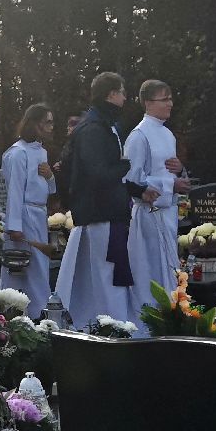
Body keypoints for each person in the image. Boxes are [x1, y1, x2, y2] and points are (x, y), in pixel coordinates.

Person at [54, 72, 141, 328]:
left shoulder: (103, 125)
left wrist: (137, 189)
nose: (125, 98)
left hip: (102, 211)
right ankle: (115, 326)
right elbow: (97, 172)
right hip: (102, 213)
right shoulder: (94, 129)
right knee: (108, 275)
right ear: (111, 94)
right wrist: (125, 165)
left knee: (98, 276)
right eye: (122, 92)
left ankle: (96, 323)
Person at [124, 80, 190, 321]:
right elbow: (132, 180)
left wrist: (180, 171)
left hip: (168, 213)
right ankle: (148, 320)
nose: (170, 104)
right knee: (150, 271)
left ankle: (171, 318)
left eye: (171, 98)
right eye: (165, 99)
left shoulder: (167, 134)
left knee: (170, 271)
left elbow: (169, 172)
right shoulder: (139, 136)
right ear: (148, 103)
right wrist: (172, 185)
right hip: (149, 215)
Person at [0, 104, 56, 317]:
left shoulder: (41, 151)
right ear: (35, 124)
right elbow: (15, 190)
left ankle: (37, 311)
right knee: (24, 265)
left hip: (38, 213)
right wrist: (14, 225)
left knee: (39, 265)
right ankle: (28, 312)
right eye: (47, 122)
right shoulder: (18, 153)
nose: (51, 127)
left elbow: (49, 189)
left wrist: (50, 176)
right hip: (25, 215)